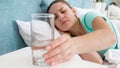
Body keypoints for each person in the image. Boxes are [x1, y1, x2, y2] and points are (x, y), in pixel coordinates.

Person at [43, 0, 118, 66]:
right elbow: (97, 61)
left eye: (63, 11)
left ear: (73, 11)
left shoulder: (89, 17)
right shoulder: (72, 38)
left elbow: (109, 36)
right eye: (55, 17)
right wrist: (68, 38)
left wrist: (73, 44)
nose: (60, 17)